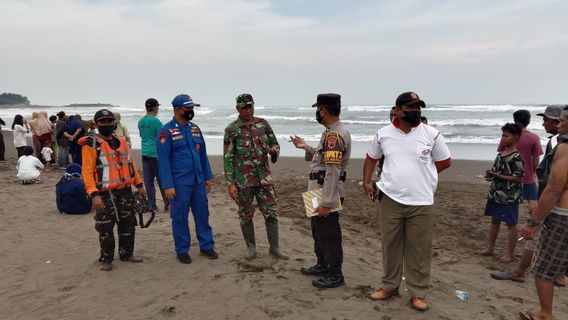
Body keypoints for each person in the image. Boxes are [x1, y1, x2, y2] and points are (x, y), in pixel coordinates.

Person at [362, 92, 451, 311]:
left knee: (419, 249)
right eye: (410, 108)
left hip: (421, 201)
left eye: (418, 107)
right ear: (399, 110)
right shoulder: (383, 134)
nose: (415, 111)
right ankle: (390, 286)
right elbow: (371, 157)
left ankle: (418, 293)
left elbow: (445, 161)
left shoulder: (431, 134)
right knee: (390, 245)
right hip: (390, 198)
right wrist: (366, 182)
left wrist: (424, 173)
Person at [491, 105, 565, 284]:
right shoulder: (552, 140)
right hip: (540, 188)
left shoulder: (559, 143)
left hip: (553, 200)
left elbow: (553, 184)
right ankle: (560, 275)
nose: (544, 122)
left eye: (548, 120)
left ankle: (519, 272)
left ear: (559, 122)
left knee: (536, 235)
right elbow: (537, 161)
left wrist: (534, 220)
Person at [290, 93, 351, 289]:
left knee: (329, 233)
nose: (318, 112)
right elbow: (322, 159)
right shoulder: (330, 132)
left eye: (318, 109)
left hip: (325, 192)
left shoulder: (334, 135)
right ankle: (322, 263)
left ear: (323, 110)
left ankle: (335, 272)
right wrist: (305, 147)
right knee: (318, 230)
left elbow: (333, 170)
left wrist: (327, 202)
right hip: (318, 189)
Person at [79, 109, 146, 271]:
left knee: (128, 224)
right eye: (102, 121)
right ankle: (106, 258)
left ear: (114, 123)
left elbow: (130, 166)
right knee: (105, 227)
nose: (106, 124)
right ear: (96, 124)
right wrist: (94, 194)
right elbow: (87, 172)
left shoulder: (122, 141)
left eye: (109, 121)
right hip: (104, 193)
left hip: (125, 191)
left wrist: (139, 184)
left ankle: (126, 253)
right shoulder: (91, 145)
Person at [224, 93, 288, 260]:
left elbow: (274, 144)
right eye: (244, 107)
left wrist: (274, 151)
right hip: (244, 181)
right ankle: (251, 247)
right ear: (237, 109)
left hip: (264, 179)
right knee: (245, 214)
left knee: (271, 213)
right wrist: (230, 184)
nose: (248, 110)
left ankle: (274, 247)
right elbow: (228, 158)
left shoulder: (263, 124)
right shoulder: (232, 129)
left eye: (250, 106)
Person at [519, 106, 568, 320]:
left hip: (563, 215)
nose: (559, 124)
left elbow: (555, 188)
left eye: (563, 120)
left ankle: (544, 314)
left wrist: (534, 221)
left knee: (542, 269)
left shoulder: (565, 147)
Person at [157, 94, 218, 264]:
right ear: (177, 110)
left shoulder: (195, 129)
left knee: (202, 214)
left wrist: (207, 177)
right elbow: (163, 161)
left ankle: (206, 246)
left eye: (192, 109)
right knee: (180, 216)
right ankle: (182, 249)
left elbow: (202, 155)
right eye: (188, 109)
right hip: (179, 183)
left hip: (198, 181)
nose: (191, 112)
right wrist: (168, 186)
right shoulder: (166, 131)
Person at [482, 123, 525, 263]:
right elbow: (496, 172)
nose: (503, 138)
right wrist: (491, 175)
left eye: (506, 136)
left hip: (509, 195)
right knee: (495, 220)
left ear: (516, 137)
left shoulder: (516, 156)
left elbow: (519, 177)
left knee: (511, 224)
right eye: (502, 135)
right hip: (496, 193)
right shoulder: (500, 154)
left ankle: (510, 253)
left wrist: (498, 176)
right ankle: (490, 248)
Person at [501, 110, 543, 218]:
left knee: (512, 201)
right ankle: (532, 222)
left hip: (510, 175)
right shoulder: (534, 137)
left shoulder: (509, 136)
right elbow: (536, 159)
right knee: (532, 201)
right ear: (528, 121)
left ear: (514, 120)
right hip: (528, 175)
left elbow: (502, 155)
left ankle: (512, 223)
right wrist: (533, 171)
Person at [138, 98, 169, 212]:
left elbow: (142, 136)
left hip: (144, 152)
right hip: (155, 154)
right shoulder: (156, 122)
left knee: (148, 180)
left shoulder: (140, 121)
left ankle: (152, 205)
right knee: (161, 179)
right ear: (155, 108)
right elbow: (161, 138)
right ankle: (167, 204)